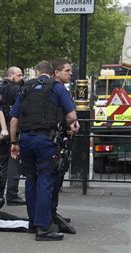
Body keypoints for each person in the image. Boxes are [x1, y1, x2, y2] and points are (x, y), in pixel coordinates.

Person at [10, 60, 79, 241]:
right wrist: (69, 124)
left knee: (31, 180)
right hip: (45, 140)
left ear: (37, 72)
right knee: (45, 181)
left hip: (25, 139)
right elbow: (72, 115)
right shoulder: (56, 87)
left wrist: (13, 142)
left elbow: (14, 119)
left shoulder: (25, 88)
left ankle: (33, 223)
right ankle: (43, 228)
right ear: (52, 73)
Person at [0, 67, 26, 206]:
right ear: (11, 76)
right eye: (19, 75)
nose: (21, 77)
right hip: (12, 127)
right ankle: (12, 194)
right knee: (14, 161)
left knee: (1, 163)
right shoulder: (16, 90)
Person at [50, 58, 77, 234]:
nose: (70, 73)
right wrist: (70, 125)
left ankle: (49, 213)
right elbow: (71, 116)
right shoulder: (59, 89)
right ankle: (50, 214)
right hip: (54, 139)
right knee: (55, 176)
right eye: (67, 70)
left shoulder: (49, 88)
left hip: (42, 137)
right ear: (56, 72)